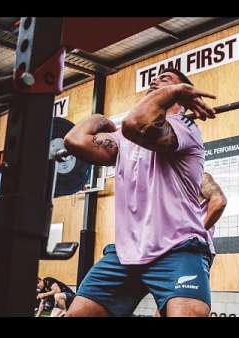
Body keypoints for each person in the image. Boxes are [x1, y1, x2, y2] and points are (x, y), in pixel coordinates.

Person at [63, 67, 217, 317]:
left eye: (166, 80)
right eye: (155, 79)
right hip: (126, 253)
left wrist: (175, 90)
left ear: (181, 96)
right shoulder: (123, 139)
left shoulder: (184, 127)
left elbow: (136, 124)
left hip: (177, 249)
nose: (156, 80)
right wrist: (102, 119)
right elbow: (74, 140)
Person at [154, 172, 227, 316]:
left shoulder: (201, 177)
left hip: (190, 249)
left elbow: (219, 201)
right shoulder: (168, 183)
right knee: (165, 306)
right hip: (169, 250)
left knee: (184, 306)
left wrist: (195, 232)